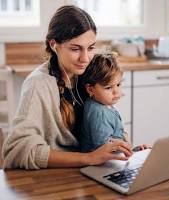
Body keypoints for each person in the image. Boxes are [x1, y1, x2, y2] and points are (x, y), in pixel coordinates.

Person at [2, 5, 133, 169]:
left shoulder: (89, 72)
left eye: (91, 48)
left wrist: (128, 147)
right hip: (58, 179)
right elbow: (17, 150)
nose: (85, 58)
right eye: (75, 49)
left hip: (94, 171)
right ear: (54, 45)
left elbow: (106, 123)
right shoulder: (38, 84)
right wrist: (87, 158)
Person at [80, 53, 128, 153]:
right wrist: (126, 144)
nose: (116, 92)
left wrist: (134, 149)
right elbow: (104, 148)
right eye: (108, 88)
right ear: (90, 89)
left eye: (118, 84)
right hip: (101, 164)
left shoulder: (101, 104)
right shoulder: (100, 113)